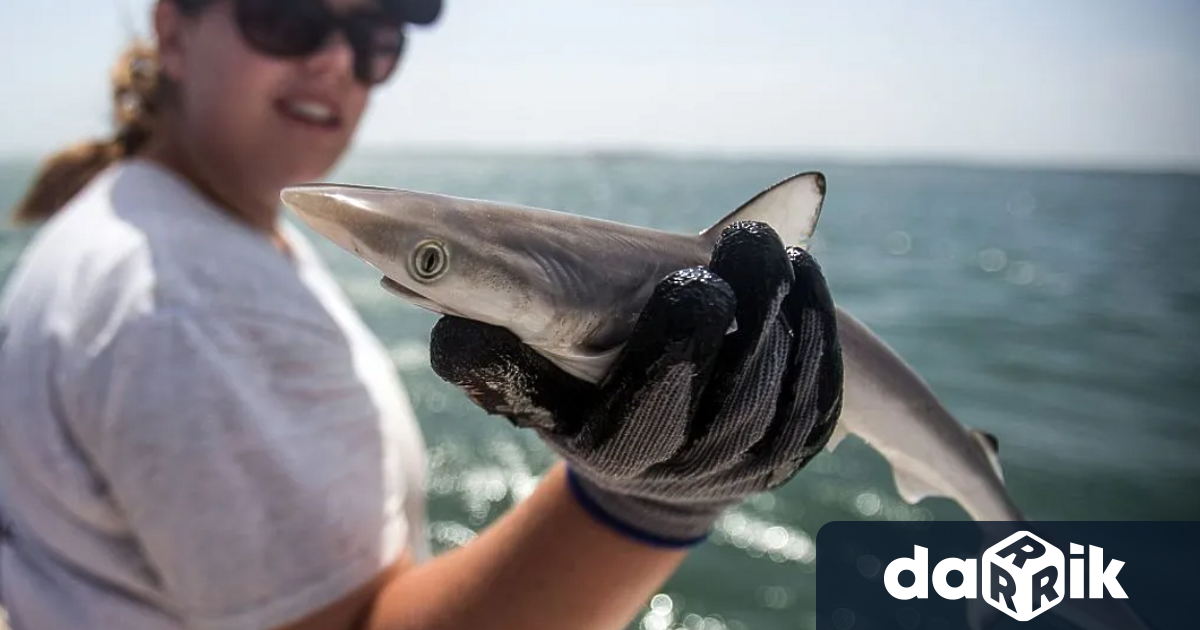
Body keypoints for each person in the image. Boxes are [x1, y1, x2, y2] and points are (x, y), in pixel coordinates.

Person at [0, 0, 845, 628]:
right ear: (173, 31)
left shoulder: (145, 219)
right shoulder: (191, 306)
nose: (336, 60)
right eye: (286, 17)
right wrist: (653, 503)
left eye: (375, 38)